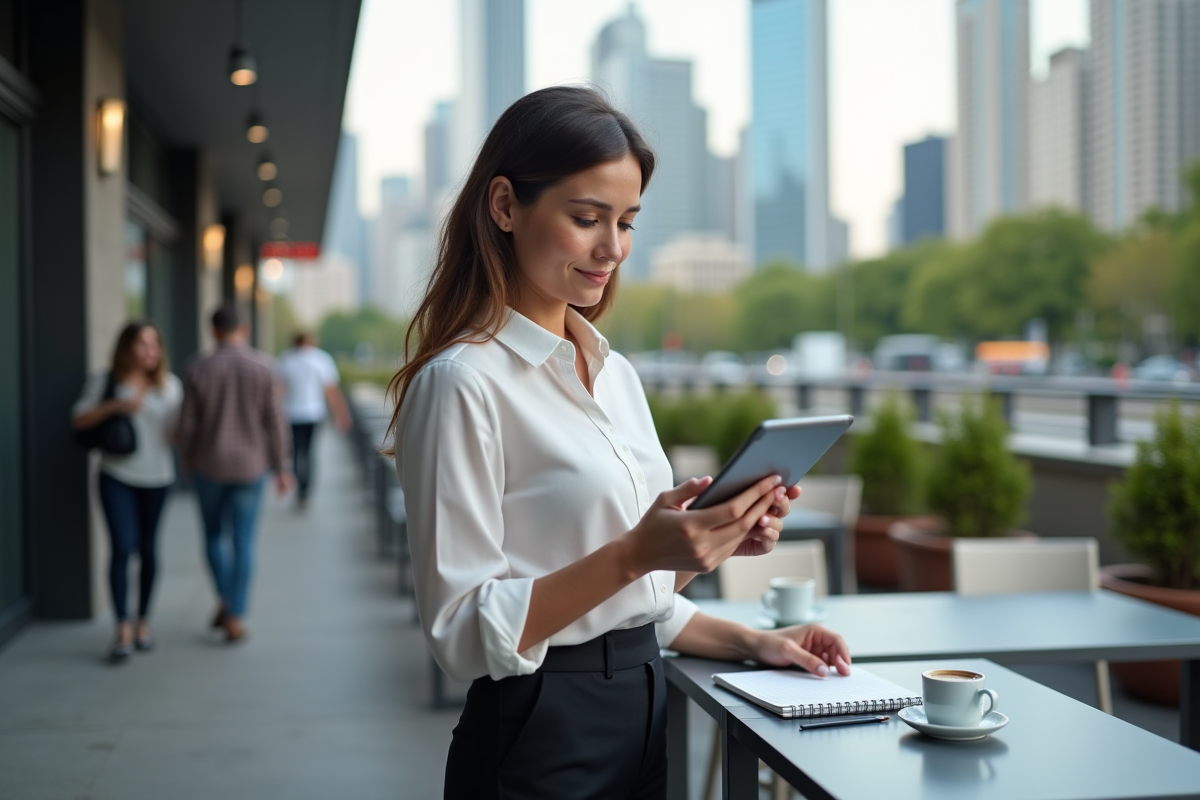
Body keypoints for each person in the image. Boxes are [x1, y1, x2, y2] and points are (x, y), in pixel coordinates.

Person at [389, 86, 852, 799]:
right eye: (586, 218)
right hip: (536, 732)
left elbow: (639, 601)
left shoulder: (617, 375)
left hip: (643, 711)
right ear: (506, 205)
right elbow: (461, 634)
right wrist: (639, 551)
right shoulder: (463, 383)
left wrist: (744, 617)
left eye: (628, 223)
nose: (613, 249)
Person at [176, 304, 292, 642]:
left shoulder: (197, 368)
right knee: (243, 541)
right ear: (243, 329)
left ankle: (225, 601)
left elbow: (187, 424)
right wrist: (282, 467)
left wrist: (187, 454)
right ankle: (236, 613)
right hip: (251, 467)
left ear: (212, 330)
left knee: (213, 536)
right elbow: (276, 422)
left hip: (208, 465)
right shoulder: (263, 367)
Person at [72, 321, 182, 661]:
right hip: (116, 475)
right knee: (122, 548)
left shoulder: (170, 387)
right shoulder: (105, 381)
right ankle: (122, 627)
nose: (150, 351)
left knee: (148, 550)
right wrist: (116, 406)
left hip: (158, 478)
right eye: (142, 343)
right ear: (126, 348)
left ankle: (143, 622)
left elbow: (178, 433)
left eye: (155, 344)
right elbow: (78, 420)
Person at [275, 332, 352, 509]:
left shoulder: (286, 360)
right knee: (309, 453)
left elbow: (279, 390)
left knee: (295, 452)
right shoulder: (321, 359)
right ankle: (306, 489)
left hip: (291, 414)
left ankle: (299, 485)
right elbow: (331, 391)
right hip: (314, 414)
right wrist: (341, 414)